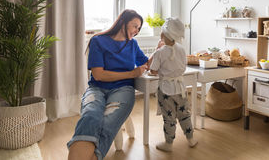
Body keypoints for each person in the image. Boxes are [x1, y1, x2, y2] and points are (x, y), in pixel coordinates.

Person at [67, 9, 149, 160]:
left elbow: (147, 63)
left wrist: (161, 50)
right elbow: (99, 74)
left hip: (123, 89)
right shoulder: (98, 41)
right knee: (90, 115)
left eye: (139, 28)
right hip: (97, 88)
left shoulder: (133, 44)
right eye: (134, 26)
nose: (137, 31)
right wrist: (132, 74)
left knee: (107, 122)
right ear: (123, 23)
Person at [149, 17, 198, 152]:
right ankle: (191, 139)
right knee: (184, 114)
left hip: (166, 91)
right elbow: (182, 67)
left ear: (163, 34)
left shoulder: (160, 52)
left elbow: (153, 70)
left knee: (169, 117)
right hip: (181, 88)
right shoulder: (182, 49)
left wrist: (156, 52)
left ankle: (169, 144)